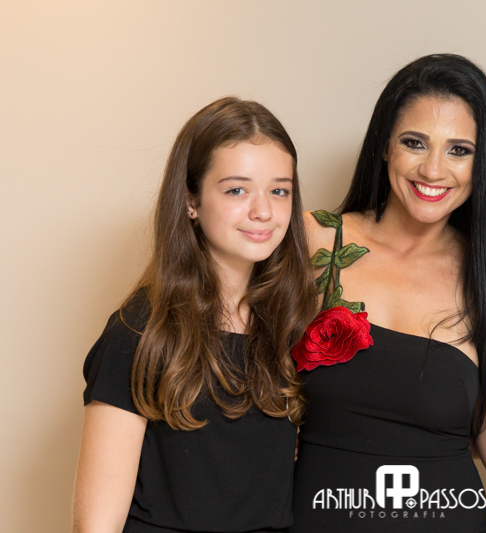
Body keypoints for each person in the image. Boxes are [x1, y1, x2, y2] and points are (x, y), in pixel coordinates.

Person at [72, 97, 317, 533]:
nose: (263, 211)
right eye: (237, 190)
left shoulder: (290, 322)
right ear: (191, 201)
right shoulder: (141, 329)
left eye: (279, 190)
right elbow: (95, 525)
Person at [288, 54, 486, 532]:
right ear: (385, 146)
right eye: (415, 143)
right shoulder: (312, 241)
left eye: (459, 150)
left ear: (483, 164)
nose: (433, 169)